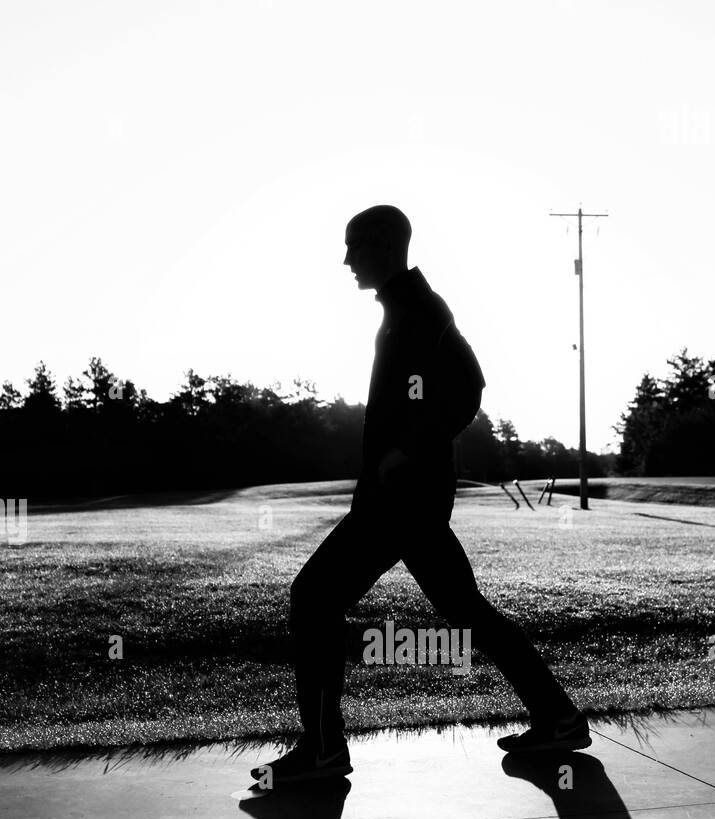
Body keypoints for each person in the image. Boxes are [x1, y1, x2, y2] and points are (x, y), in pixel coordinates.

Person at [251, 204, 590, 784]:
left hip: (402, 501)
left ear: (385, 247)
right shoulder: (406, 309)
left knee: (313, 598)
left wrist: (406, 450)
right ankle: (558, 717)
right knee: (467, 612)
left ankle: (324, 750)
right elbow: (443, 389)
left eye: (354, 246)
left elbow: (467, 387)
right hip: (408, 500)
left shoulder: (418, 309)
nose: (347, 259)